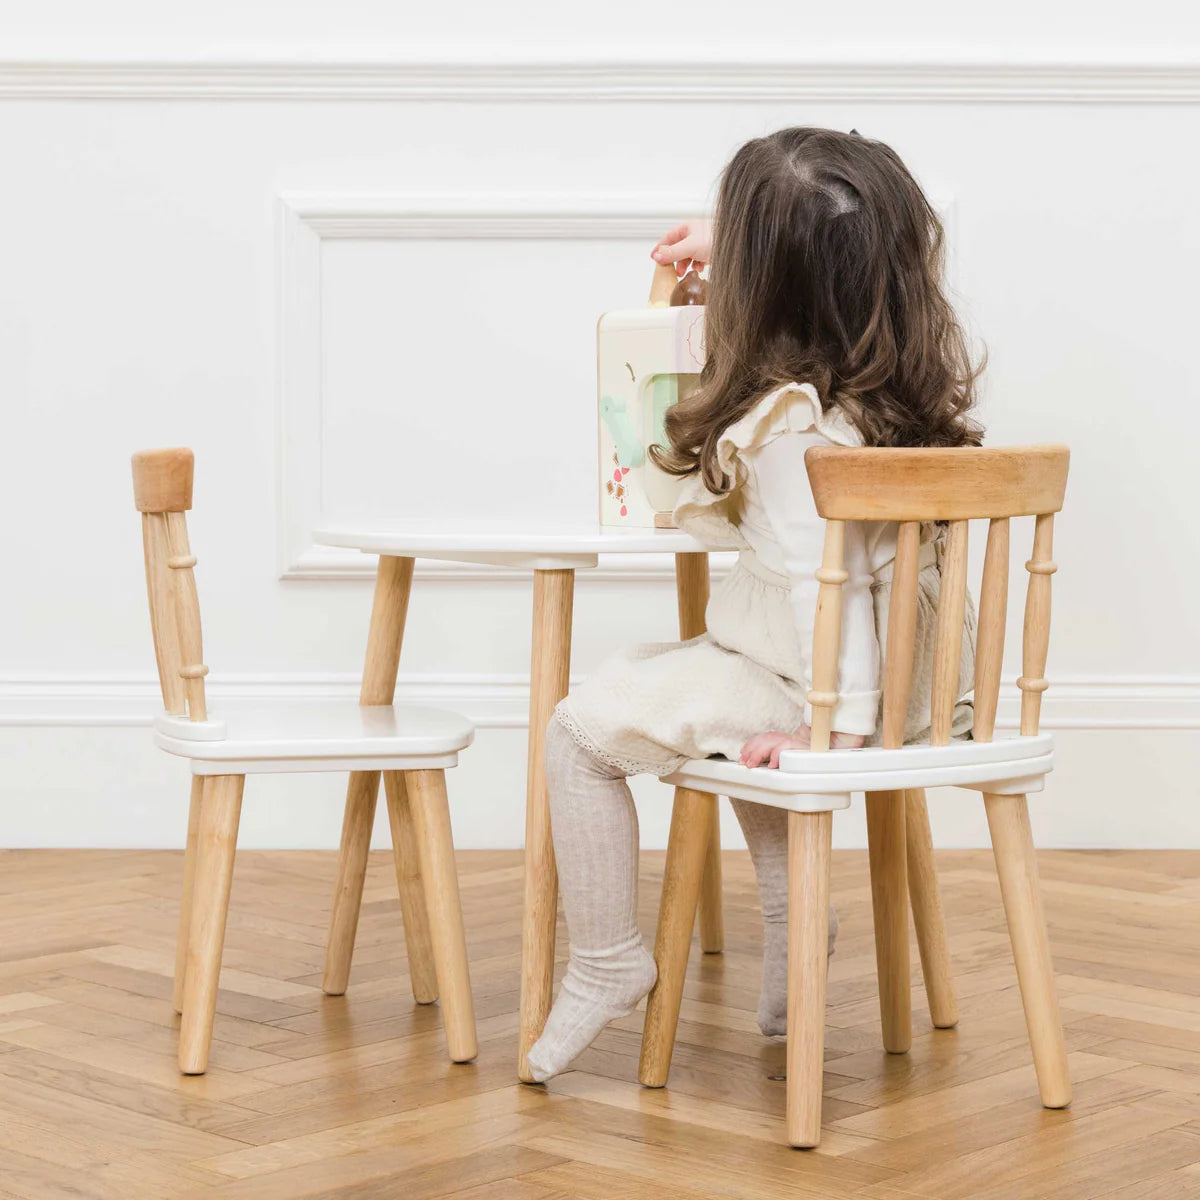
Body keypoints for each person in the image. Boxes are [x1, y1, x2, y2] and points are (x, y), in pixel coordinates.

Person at [527, 126, 980, 1083]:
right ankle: (791, 952)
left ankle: (608, 959)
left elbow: (836, 591)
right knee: (724, 718)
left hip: (827, 685)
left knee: (579, 732)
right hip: (916, 678)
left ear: (759, 287)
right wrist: (745, 244)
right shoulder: (883, 401)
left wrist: (837, 730)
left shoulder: (789, 431)